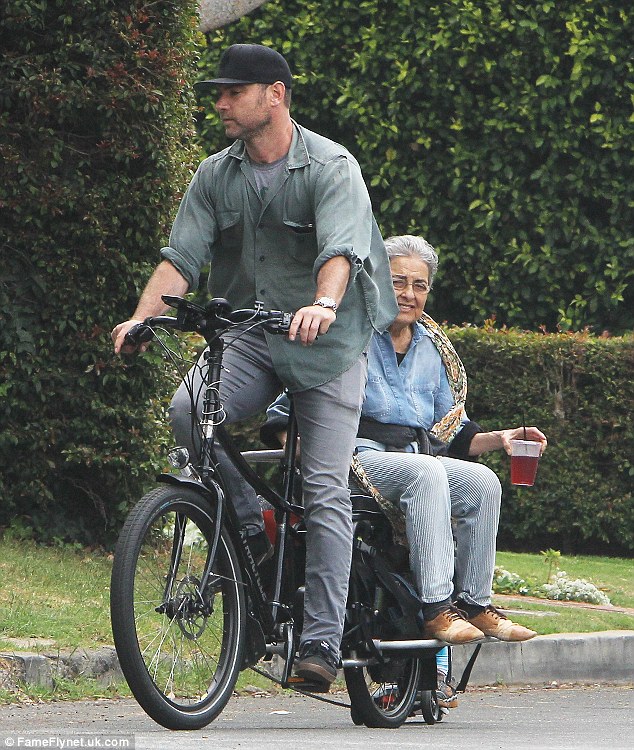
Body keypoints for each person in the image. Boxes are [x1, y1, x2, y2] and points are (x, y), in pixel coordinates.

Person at [112, 43, 398, 691]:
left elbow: (341, 251)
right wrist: (141, 318)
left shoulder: (330, 167)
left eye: (233, 92)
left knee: (323, 487)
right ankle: (248, 531)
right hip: (251, 333)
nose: (220, 103)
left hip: (328, 343)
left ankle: (320, 641)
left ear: (275, 94)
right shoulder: (216, 174)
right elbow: (181, 259)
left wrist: (324, 304)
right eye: (218, 93)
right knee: (189, 412)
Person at [261, 234, 547, 647]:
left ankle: (474, 603)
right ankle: (436, 608)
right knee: (426, 471)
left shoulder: (433, 348)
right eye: (397, 281)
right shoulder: (348, 332)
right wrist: (306, 452)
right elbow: (284, 410)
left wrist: (502, 438)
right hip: (353, 459)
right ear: (377, 280)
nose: (408, 294)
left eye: (419, 285)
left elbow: (452, 431)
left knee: (483, 483)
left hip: (413, 458)